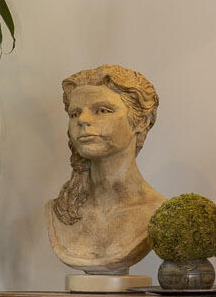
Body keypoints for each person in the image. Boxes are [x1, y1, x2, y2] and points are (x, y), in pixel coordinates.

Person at [45, 64, 164, 282]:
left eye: (102, 110)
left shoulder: (159, 212)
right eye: (74, 113)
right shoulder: (60, 211)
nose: (83, 120)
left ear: (141, 121)